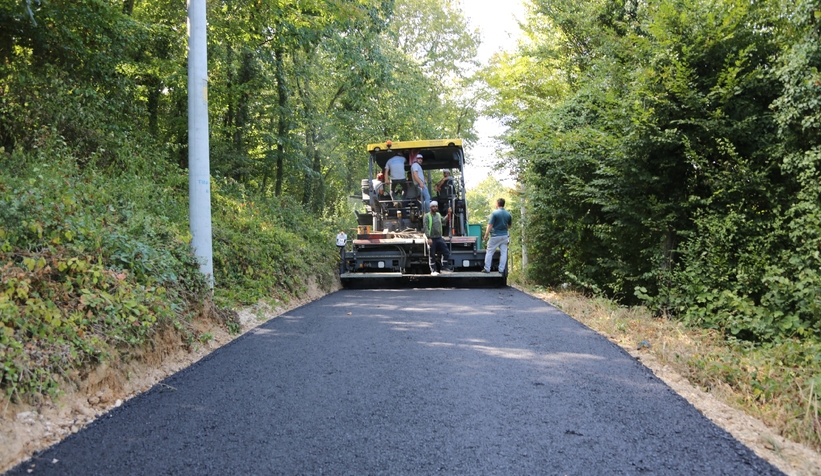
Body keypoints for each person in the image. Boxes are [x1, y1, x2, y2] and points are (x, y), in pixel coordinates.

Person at [482, 198, 512, 274]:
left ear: (497, 204)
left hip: (495, 236)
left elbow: (490, 225)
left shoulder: (495, 213)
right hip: (505, 236)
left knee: (489, 251)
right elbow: (509, 226)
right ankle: (501, 270)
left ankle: (487, 269)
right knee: (504, 253)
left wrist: (486, 234)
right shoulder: (508, 214)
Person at [423, 201, 452, 276]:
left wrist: (448, 214)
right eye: (433, 206)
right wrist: (428, 238)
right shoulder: (427, 216)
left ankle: (444, 267)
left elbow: (444, 221)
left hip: (439, 238)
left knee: (446, 252)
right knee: (432, 255)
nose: (435, 208)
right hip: (431, 238)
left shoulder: (438, 215)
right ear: (430, 207)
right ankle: (433, 270)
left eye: (436, 206)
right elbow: (425, 228)